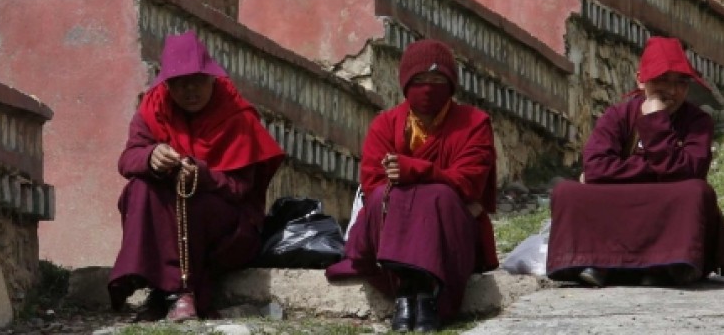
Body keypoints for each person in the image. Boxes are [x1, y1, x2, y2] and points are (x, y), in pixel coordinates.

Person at [107, 31, 285, 321]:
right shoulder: (154, 108)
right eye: (179, 83)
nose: (190, 90)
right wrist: (151, 156)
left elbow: (240, 189)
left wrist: (201, 175)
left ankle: (180, 290)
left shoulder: (235, 115)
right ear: (167, 85)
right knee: (139, 188)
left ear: (212, 77)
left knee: (191, 203)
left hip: (229, 228)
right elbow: (128, 159)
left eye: (198, 81)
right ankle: (164, 288)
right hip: (172, 218)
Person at [326, 39, 498, 332]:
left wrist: (415, 170)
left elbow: (468, 183)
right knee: (386, 197)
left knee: (440, 197)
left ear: (452, 83)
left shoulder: (474, 123)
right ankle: (407, 291)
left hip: (450, 231)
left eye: (437, 79)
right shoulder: (385, 125)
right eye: (419, 80)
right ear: (406, 83)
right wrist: (430, 181)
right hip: (392, 230)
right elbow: (372, 186)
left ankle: (428, 293)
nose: (428, 88)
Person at [546, 36, 724, 287]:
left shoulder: (697, 121)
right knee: (566, 192)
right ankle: (602, 260)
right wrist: (655, 172)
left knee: (695, 192)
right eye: (661, 81)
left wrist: (656, 121)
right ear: (640, 80)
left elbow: (689, 172)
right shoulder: (618, 115)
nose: (671, 91)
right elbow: (595, 168)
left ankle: (666, 263)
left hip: (664, 204)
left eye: (680, 82)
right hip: (623, 203)